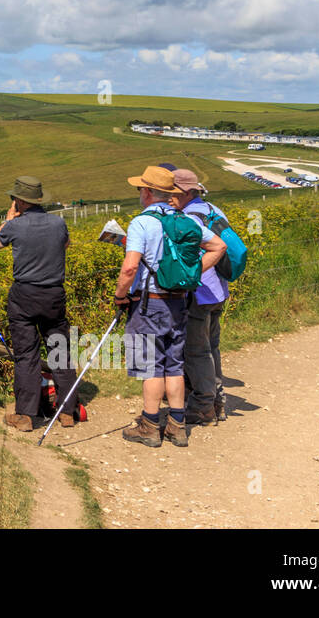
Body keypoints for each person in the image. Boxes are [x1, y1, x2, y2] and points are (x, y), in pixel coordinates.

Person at [113, 166, 226, 448]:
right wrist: (191, 273)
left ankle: (149, 425)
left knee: (151, 366)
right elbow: (219, 247)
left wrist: (119, 295)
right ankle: (177, 426)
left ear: (148, 192)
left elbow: (130, 268)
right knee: (174, 364)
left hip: (150, 304)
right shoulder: (184, 220)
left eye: (140, 189)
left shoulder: (142, 223)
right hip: (178, 302)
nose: (140, 194)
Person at [0, 176, 79, 432]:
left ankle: (26, 416)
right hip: (54, 294)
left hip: (25, 294)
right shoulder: (58, 222)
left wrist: (9, 219)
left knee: (27, 355)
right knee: (60, 350)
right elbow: (66, 244)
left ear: (19, 200)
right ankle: (67, 412)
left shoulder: (16, 225)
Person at [171, 169, 230, 425]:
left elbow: (188, 257)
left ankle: (203, 406)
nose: (170, 198)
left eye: (172, 192)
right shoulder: (212, 209)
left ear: (184, 192)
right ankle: (218, 402)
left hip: (200, 291)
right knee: (211, 348)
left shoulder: (189, 217)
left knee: (196, 352)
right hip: (218, 288)